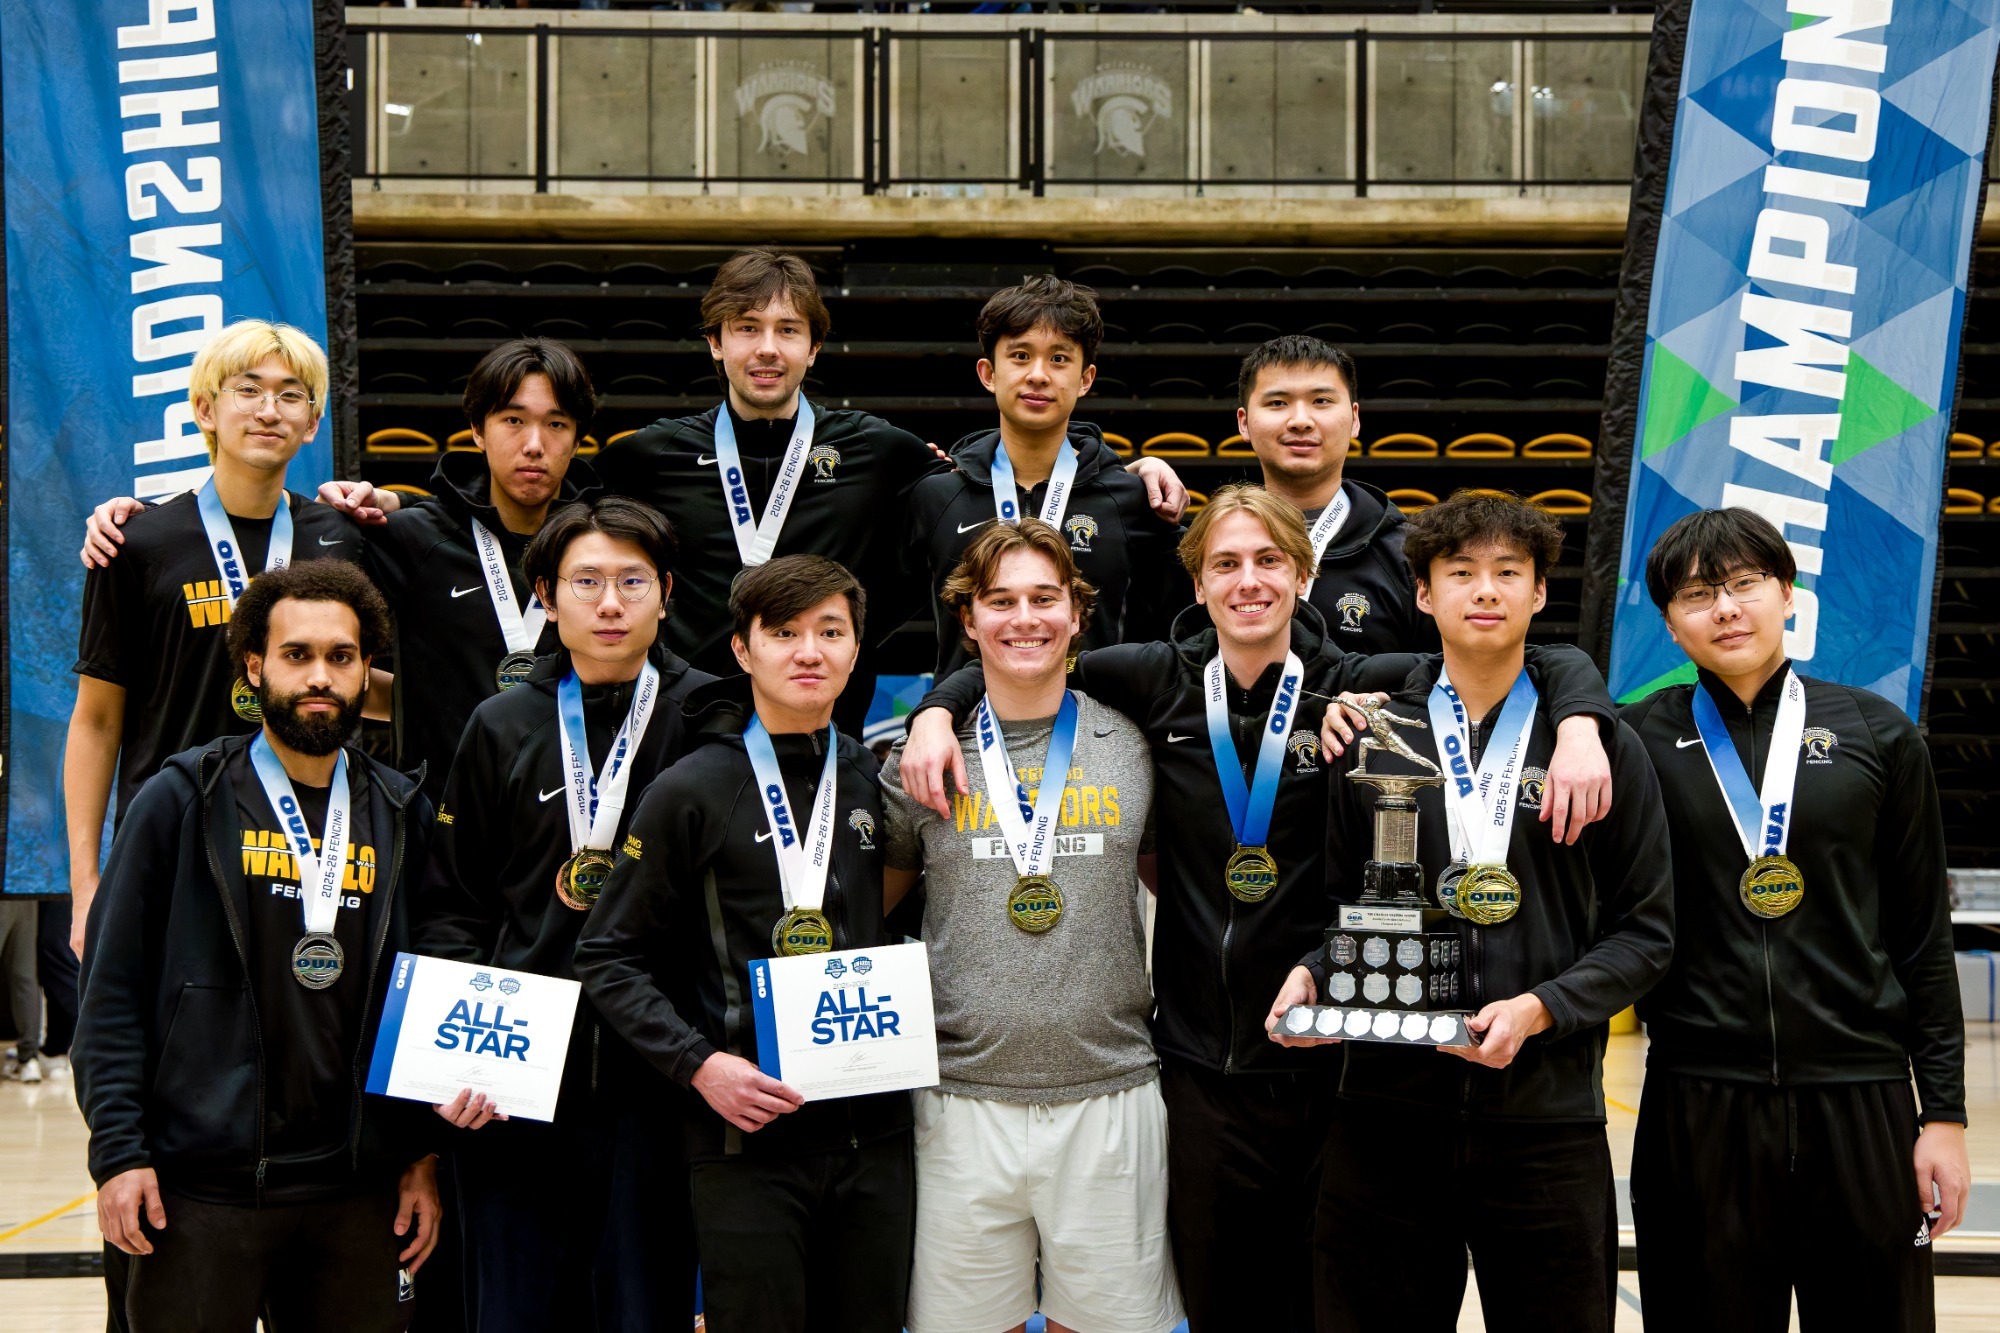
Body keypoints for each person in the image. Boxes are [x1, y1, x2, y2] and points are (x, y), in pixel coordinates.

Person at [900, 485, 1619, 1332]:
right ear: (1198, 582)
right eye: (1226, 563)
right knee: (1223, 1305)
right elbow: (1026, 650)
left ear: (1303, 575)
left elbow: (1513, 655)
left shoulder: (1359, 684)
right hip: (1200, 1067)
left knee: (1329, 1309)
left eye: (1270, 560)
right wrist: (938, 708)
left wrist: (1582, 720)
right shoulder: (1152, 677)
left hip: (1334, 1066)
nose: (1249, 580)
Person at [1266, 487, 1673, 1333]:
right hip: (1384, 1118)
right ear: (1423, 594)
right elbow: (1339, 907)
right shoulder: (1371, 736)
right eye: (1461, 572)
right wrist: (1314, 970)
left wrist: (1543, 1007)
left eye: (1507, 571)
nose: (1485, 589)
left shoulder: (1601, 748)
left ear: (1539, 592)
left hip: (1547, 1120)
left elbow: (1646, 931)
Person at [1620, 507, 1969, 1332]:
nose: (1725, 608)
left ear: (1787, 593)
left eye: (1744, 584)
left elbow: (1923, 939)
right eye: (1698, 594)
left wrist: (1944, 1116)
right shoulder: (1636, 742)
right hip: (1697, 1100)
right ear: (1670, 623)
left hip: (1862, 1098)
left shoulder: (1878, 734)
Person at [72, 560, 441, 1332]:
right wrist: (120, 1152)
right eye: (296, 654)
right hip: (201, 1189)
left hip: (356, 1188)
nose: (320, 675)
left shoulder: (401, 811)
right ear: (253, 665)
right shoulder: (181, 799)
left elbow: (421, 992)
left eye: (341, 656)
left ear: (366, 670)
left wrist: (420, 1156)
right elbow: (110, 993)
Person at [574, 555, 911, 1333]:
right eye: (784, 632)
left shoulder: (873, 776)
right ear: (741, 648)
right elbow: (606, 954)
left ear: (856, 649)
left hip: (877, 1136)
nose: (809, 651)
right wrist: (699, 1064)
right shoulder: (691, 787)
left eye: (831, 631)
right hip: (745, 1140)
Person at [415, 496, 710, 1332]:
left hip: (660, 1084)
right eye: (586, 582)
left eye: (631, 581)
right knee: (516, 1313)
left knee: (644, 1312)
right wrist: (457, 1064)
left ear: (667, 593)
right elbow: (452, 904)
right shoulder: (500, 723)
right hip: (515, 1087)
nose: (610, 603)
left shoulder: (712, 718)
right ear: (546, 595)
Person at [879, 520, 1182, 1333]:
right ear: (968, 618)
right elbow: (870, 909)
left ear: (1077, 614)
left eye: (1045, 598)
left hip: (1110, 1088)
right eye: (1001, 600)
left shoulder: (1132, 744)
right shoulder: (920, 759)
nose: (1024, 618)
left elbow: (1179, 893)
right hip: (957, 1096)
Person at [82, 336, 604, 806]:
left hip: (562, 808)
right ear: (477, 430)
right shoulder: (137, 542)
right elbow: (97, 717)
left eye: (556, 423)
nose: (534, 443)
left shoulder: (607, 550)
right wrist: (147, 518)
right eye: (513, 420)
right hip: (180, 813)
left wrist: (391, 499)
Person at [66, 320, 367, 961]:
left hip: (311, 846)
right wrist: (86, 885)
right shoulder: (135, 543)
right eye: (248, 390)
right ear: (205, 409)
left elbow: (371, 689)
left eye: (291, 395)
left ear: (312, 423)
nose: (269, 410)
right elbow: (96, 720)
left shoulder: (343, 539)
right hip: (171, 841)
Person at [904, 276, 1186, 677]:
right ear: (988, 373)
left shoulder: (1130, 499)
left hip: (1094, 714)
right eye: (1020, 356)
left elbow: (1184, 620)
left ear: (1085, 379)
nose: (1038, 374)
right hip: (967, 712)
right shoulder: (936, 495)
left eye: (1059, 359)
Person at [1234, 335, 1426, 653]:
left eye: (1321, 401)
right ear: (1244, 423)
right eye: (1277, 403)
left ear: (1354, 419)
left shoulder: (1411, 556)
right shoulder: (1207, 551)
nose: (1300, 421)